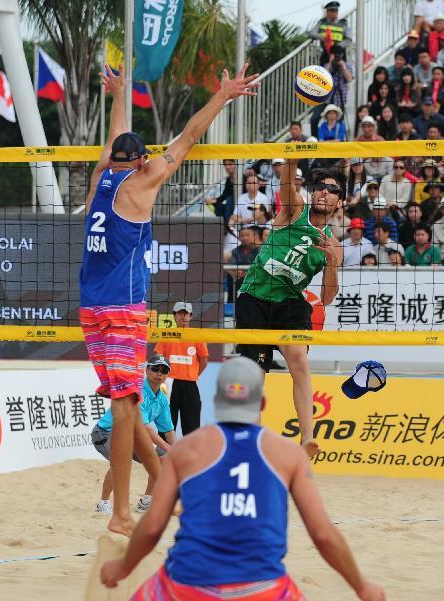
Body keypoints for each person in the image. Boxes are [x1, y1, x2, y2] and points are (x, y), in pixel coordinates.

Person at [80, 64, 257, 536]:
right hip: (122, 308)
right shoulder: (142, 181)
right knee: (124, 406)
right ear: (140, 162)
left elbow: (117, 134)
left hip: (91, 308)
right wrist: (223, 95)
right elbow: (188, 136)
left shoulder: (101, 175)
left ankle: (166, 488)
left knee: (129, 404)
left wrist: (117, 94)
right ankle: (120, 512)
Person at [101, 357, 385, 601]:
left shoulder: (186, 450)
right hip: (262, 587)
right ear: (261, 402)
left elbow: (151, 528)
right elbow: (323, 534)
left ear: (216, 400)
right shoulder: (288, 454)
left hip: (188, 584)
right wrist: (361, 585)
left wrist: (122, 568)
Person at [236, 159, 344, 458]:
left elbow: (328, 297)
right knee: (255, 372)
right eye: (320, 187)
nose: (324, 192)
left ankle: (307, 437)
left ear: (340, 202)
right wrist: (294, 156)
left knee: (299, 360)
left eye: (332, 190)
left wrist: (332, 264)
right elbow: (286, 185)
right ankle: (253, 439)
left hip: (290, 301)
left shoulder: (333, 245)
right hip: (255, 296)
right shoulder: (295, 210)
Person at [92, 355, 175, 516]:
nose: (159, 373)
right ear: (146, 369)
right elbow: (147, 430)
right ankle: (103, 503)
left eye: (164, 370)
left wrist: (175, 451)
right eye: (155, 368)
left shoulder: (162, 399)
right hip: (106, 432)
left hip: (132, 437)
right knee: (120, 462)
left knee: (163, 456)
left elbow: (168, 430)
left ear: (167, 375)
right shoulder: (138, 392)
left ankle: (146, 501)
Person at [154, 302, 208, 436]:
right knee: (166, 423)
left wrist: (193, 374)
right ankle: (163, 454)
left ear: (190, 316)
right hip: (168, 384)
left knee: (192, 425)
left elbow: (204, 361)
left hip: (190, 384)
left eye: (185, 313)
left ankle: (191, 455)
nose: (182, 316)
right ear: (174, 316)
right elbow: (158, 358)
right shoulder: (166, 334)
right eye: (179, 313)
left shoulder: (197, 335)